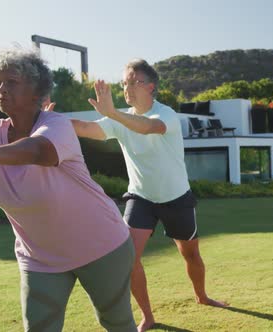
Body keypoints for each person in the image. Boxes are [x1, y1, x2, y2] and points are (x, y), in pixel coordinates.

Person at [0, 48, 137, 332]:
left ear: (37, 91)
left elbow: (39, 151)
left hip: (101, 244)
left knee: (117, 323)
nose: (2, 89)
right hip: (41, 258)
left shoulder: (56, 125)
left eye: (13, 82)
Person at [69, 59, 227, 332]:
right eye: (124, 83)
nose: (126, 88)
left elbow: (147, 127)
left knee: (190, 255)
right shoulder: (119, 119)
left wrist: (113, 114)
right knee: (128, 258)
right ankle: (148, 316)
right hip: (141, 198)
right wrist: (48, 120)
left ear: (150, 87)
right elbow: (86, 129)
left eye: (133, 82)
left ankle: (202, 295)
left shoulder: (165, 115)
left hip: (176, 198)